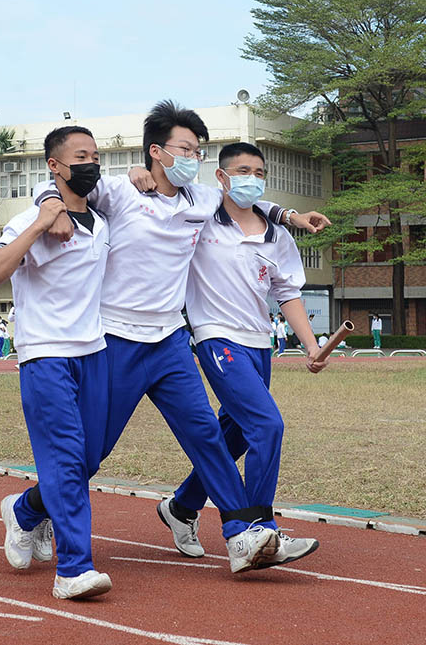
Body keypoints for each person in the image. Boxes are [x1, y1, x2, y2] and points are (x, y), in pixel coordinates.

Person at [34, 101, 331, 574]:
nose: (193, 157)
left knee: (207, 436)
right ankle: (29, 509)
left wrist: (291, 215)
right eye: (185, 148)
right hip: (115, 340)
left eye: (199, 149)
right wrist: (51, 203)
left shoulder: (202, 200)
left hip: (171, 340)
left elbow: (247, 198)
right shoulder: (120, 191)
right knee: (92, 450)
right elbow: (58, 186)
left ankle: (242, 534)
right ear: (157, 150)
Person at [161, 142, 326, 567]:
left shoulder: (277, 235)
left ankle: (181, 506)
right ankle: (259, 529)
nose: (252, 179)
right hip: (216, 339)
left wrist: (310, 345)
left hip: (258, 344)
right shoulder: (200, 216)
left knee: (234, 434)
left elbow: (286, 293)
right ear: (221, 176)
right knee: (268, 425)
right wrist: (288, 211)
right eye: (243, 171)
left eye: (259, 172)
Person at [0, 125, 114, 599]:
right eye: (81, 155)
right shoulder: (29, 221)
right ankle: (73, 569)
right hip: (46, 354)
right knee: (63, 458)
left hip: (95, 353)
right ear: (55, 166)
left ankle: (24, 511)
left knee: (89, 457)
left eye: (97, 156)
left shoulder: (101, 224)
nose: (92, 164)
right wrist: (42, 219)